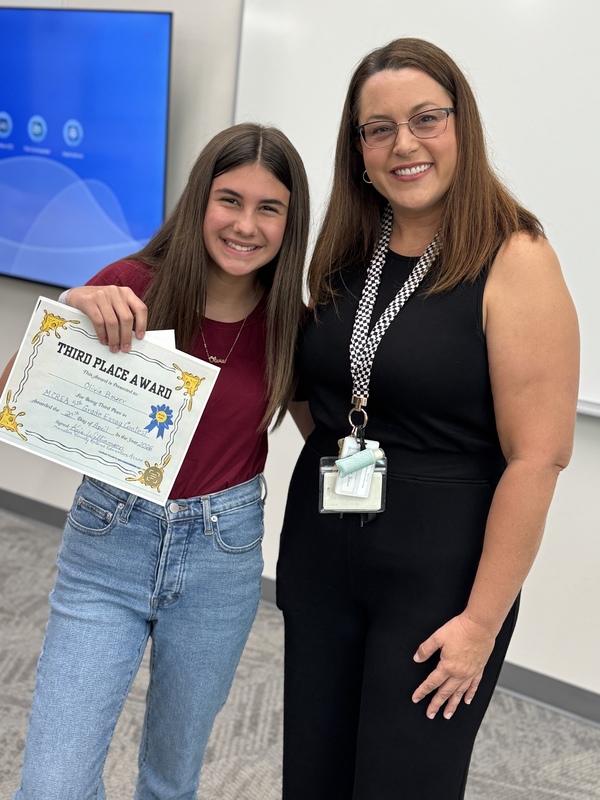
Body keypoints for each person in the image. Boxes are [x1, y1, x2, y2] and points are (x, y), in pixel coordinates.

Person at [277, 38, 579, 799]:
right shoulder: (347, 247)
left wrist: (480, 624)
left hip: (441, 587)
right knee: (313, 780)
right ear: (359, 148)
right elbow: (317, 391)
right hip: (322, 563)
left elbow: (539, 456)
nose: (402, 144)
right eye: (378, 128)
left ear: (461, 125)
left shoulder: (516, 255)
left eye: (425, 119)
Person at [2, 122, 310, 800]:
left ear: (292, 222)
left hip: (220, 558)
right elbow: (13, 397)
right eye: (230, 200)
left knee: (171, 782)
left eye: (270, 208)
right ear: (200, 199)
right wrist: (68, 314)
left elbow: (337, 443)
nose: (246, 225)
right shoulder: (127, 287)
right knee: (51, 783)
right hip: (109, 542)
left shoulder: (292, 323)